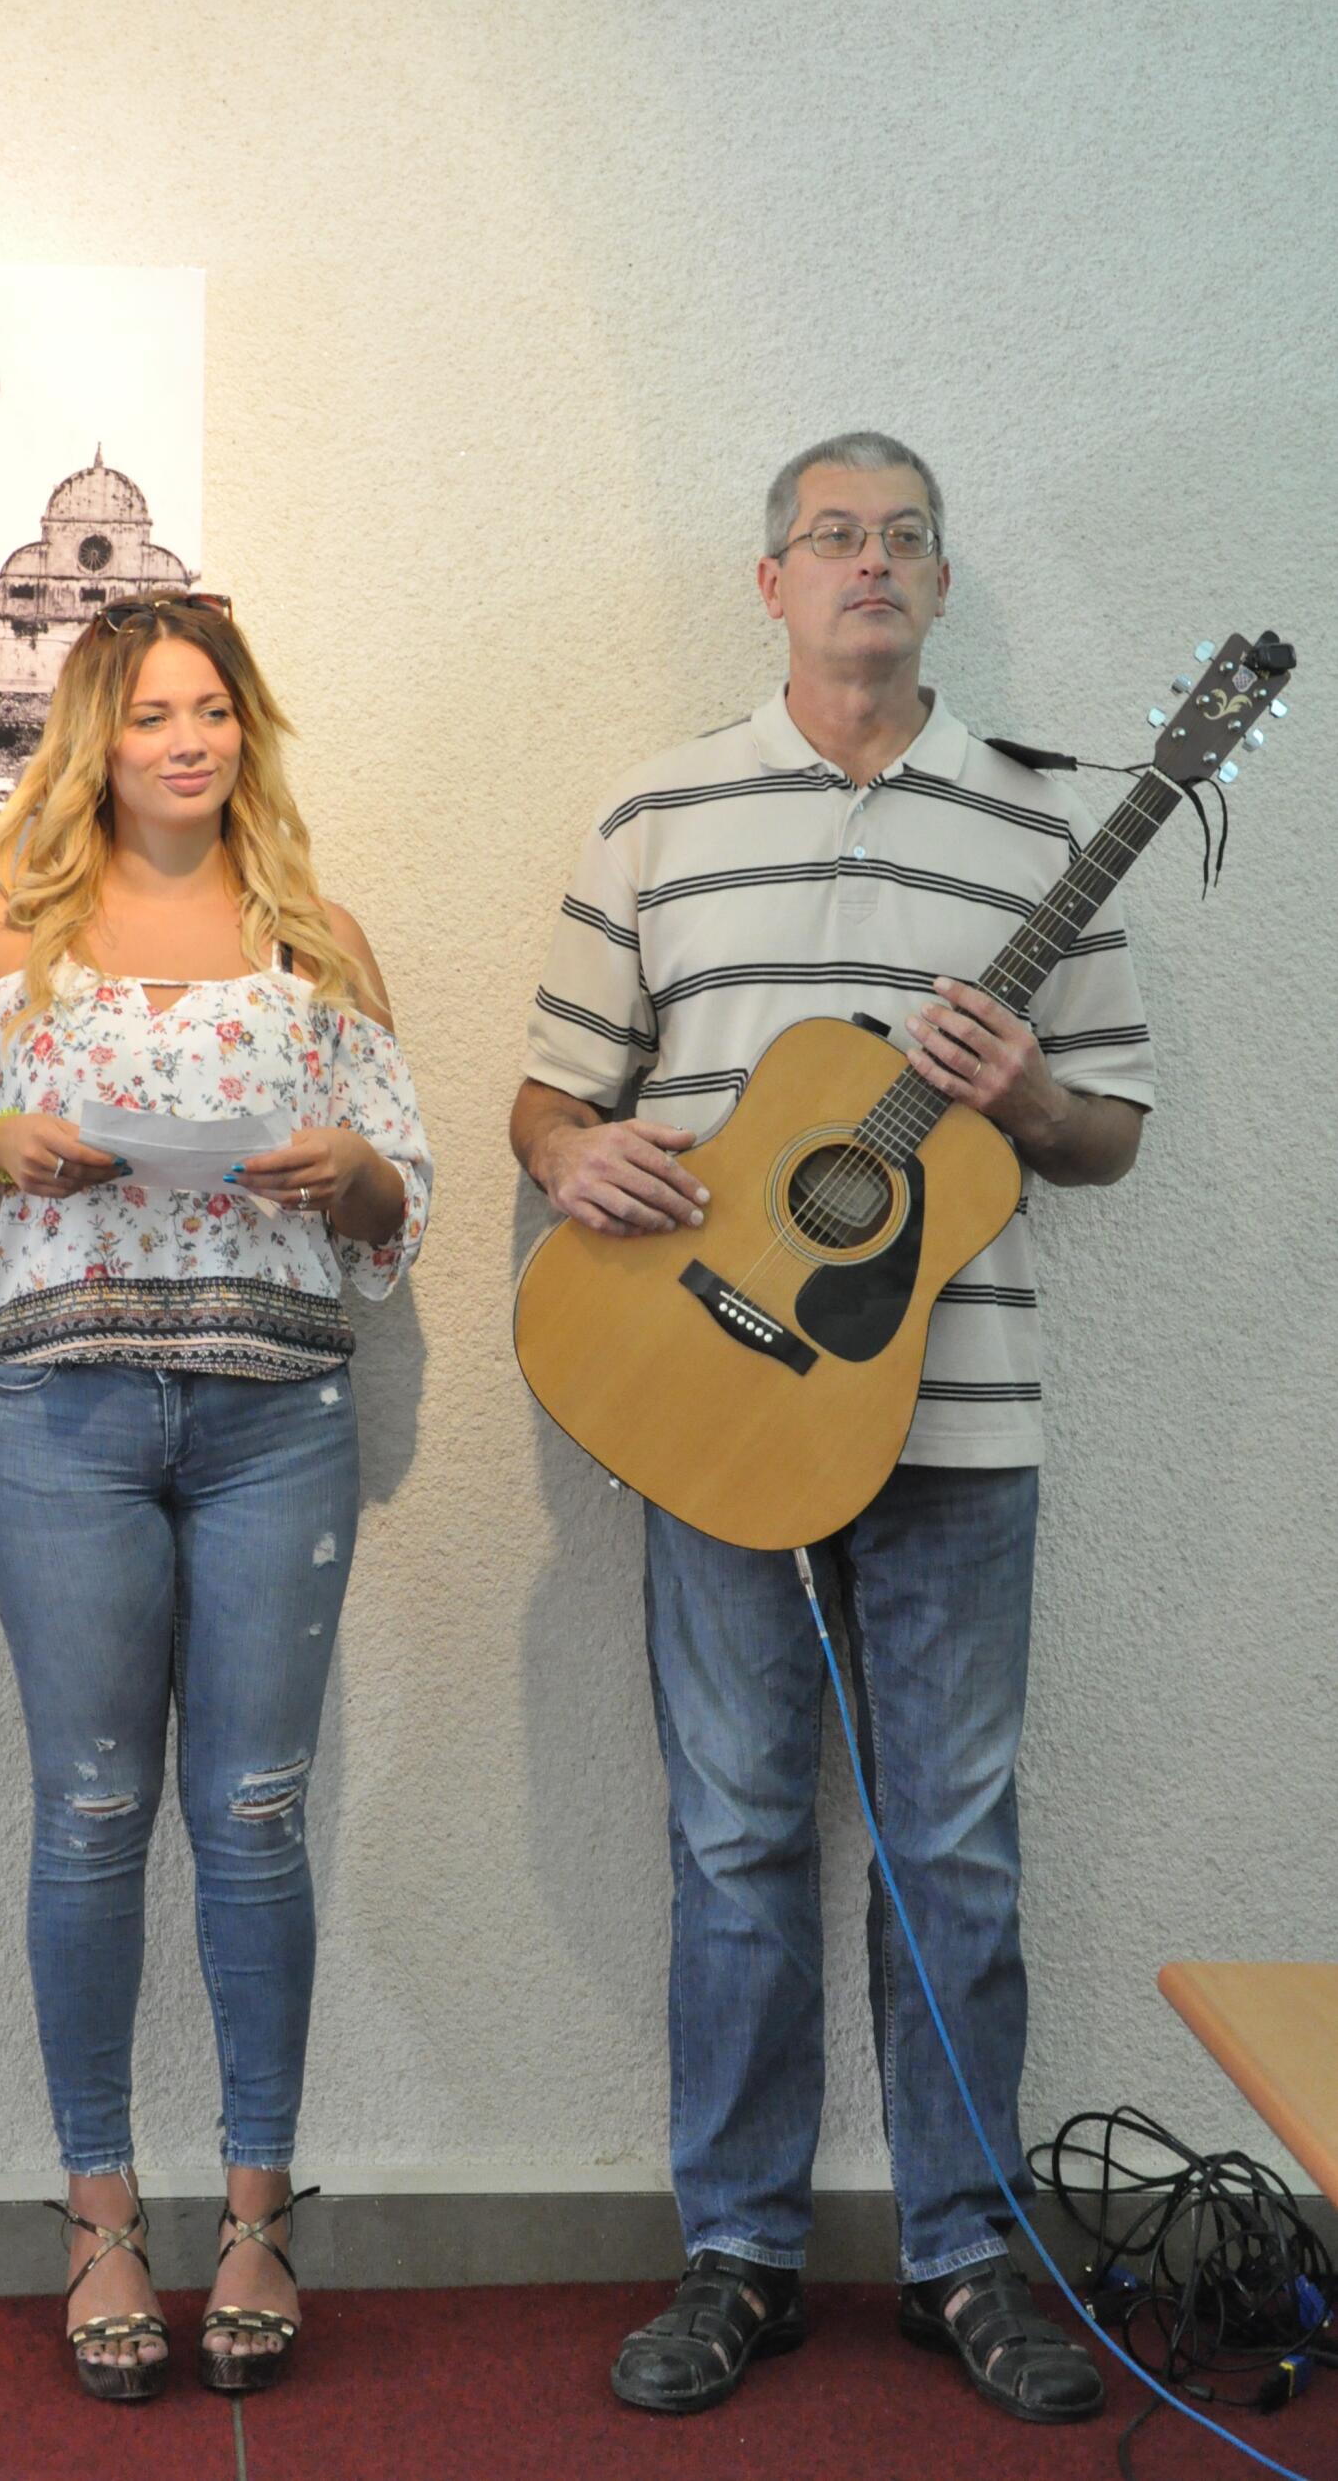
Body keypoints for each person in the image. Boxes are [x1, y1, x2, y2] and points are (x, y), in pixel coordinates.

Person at [510, 434, 1153, 2426]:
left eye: (903, 538)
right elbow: (545, 1094)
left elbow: (1107, 1135)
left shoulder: (1043, 826)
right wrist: (577, 1156)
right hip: (709, 1410)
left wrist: (1026, 1097)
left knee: (952, 1847)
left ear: (941, 584)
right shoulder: (656, 810)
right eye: (832, 535)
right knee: (731, 1838)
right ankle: (739, 2252)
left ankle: (967, 2254)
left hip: (957, 1427)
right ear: (769, 579)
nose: (869, 562)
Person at [0, 594, 431, 2403]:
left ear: (246, 732)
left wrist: (347, 1172)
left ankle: (258, 2214)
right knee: (94, 1811)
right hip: (61, 1420)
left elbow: (404, 1206)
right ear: (92, 741)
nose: (186, 742)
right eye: (150, 715)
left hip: (280, 1423)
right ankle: (100, 2216)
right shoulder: (2, 934)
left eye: (213, 711)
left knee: (255, 1817)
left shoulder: (317, 941)